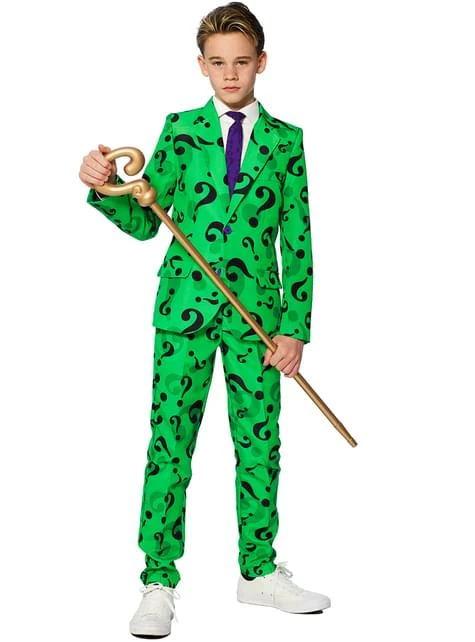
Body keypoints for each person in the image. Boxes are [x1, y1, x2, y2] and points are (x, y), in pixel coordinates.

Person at [79, 2, 330, 638]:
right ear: (201, 66)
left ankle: (258, 571)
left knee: (259, 445)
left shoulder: (286, 142)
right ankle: (158, 580)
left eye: (241, 61)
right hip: (184, 312)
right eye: (217, 63)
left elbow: (298, 240)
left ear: (261, 63)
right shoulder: (181, 130)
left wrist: (295, 327)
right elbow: (146, 220)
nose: (230, 74)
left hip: (257, 322)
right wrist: (104, 186)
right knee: (170, 443)